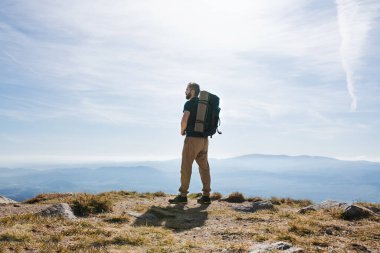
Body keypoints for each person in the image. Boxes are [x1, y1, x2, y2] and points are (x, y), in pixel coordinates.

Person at [169, 82, 212, 205]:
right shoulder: (205, 105)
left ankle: (183, 196)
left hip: (192, 138)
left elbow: (184, 119)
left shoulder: (190, 103)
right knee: (204, 168)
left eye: (187, 89)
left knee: (186, 166)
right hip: (204, 140)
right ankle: (206, 196)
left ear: (192, 91)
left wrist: (182, 130)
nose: (185, 92)